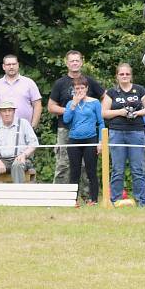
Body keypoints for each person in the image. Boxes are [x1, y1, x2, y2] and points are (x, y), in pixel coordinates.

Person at [48, 50, 105, 189]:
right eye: (71, 60)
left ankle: (87, 196)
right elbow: (51, 107)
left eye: (77, 60)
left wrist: (95, 113)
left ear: (82, 62)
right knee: (63, 163)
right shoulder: (60, 83)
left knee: (87, 165)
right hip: (65, 128)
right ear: (67, 63)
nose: (74, 63)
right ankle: (61, 194)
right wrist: (71, 110)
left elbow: (105, 97)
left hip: (87, 131)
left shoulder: (89, 81)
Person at [101, 63, 145, 206]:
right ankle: (115, 200)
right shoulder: (112, 92)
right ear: (117, 76)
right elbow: (104, 112)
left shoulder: (139, 90)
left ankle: (141, 201)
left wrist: (136, 113)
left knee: (138, 168)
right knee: (117, 168)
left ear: (131, 76)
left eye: (127, 74)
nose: (124, 76)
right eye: (121, 74)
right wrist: (120, 112)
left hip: (136, 132)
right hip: (117, 132)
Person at [63, 77, 104, 206]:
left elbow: (101, 122)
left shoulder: (95, 102)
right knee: (74, 171)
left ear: (86, 88)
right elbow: (66, 120)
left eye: (82, 88)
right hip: (74, 140)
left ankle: (94, 200)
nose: (80, 90)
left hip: (90, 139)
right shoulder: (70, 104)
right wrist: (74, 104)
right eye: (77, 88)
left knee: (91, 170)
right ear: (73, 90)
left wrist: (100, 142)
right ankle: (72, 200)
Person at [0, 99, 38, 183]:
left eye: (10, 110)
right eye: (4, 111)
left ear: (14, 112)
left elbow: (34, 144)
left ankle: (19, 194)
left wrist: (24, 155)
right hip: (1, 159)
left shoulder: (23, 123)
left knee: (17, 165)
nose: (7, 114)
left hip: (20, 158)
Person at [0, 54, 42, 130]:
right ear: (3, 67)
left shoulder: (29, 83)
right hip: (1, 130)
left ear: (18, 65)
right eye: (8, 64)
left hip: (24, 129)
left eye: (14, 64)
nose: (11, 67)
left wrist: (33, 126)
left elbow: (37, 105)